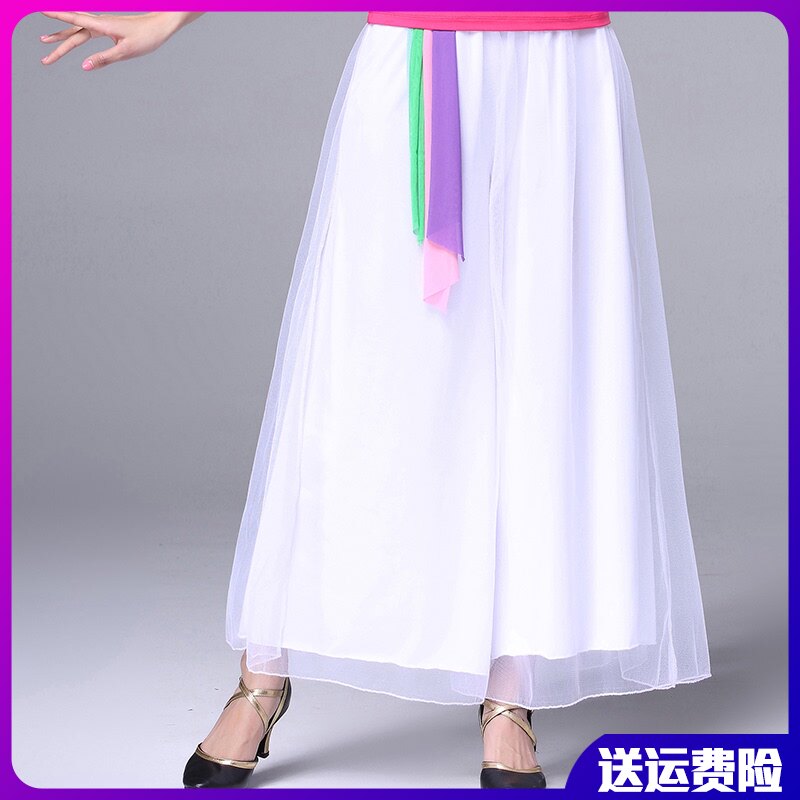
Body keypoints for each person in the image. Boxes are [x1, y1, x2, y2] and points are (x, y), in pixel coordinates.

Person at [39, 9, 712, 790]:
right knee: (357, 372)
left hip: (563, 57)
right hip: (423, 50)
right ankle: (263, 676)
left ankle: (510, 693)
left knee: (546, 366)